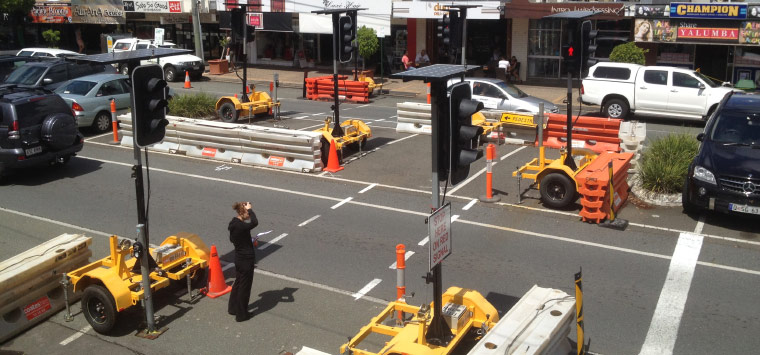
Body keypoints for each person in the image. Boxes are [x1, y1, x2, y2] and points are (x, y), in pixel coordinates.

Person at [227, 201, 259, 322]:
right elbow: (255, 222)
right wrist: (250, 209)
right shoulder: (241, 226)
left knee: (238, 283)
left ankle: (233, 308)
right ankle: (241, 314)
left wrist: (248, 240)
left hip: (239, 258)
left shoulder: (233, 224)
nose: (249, 216)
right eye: (248, 213)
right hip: (246, 260)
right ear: (243, 212)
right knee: (244, 288)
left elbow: (235, 238)